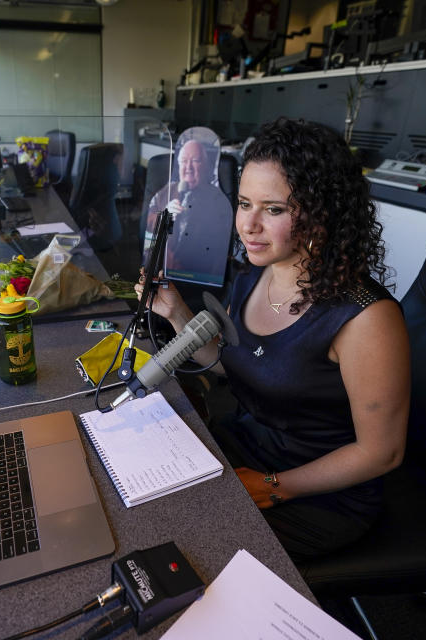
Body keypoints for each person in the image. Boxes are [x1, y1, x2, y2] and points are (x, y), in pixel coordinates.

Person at [136, 118, 411, 559]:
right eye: (244, 204)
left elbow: (381, 452)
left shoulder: (366, 318)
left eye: (274, 209)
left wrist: (275, 487)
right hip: (249, 447)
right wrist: (176, 313)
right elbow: (234, 362)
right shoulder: (252, 275)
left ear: (322, 214)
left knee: (184, 552)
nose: (249, 225)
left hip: (320, 492)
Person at [146, 138, 232, 284]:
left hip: (196, 276)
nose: (188, 167)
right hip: (162, 271)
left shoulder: (218, 199)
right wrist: (164, 216)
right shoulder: (168, 191)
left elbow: (220, 247)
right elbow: (147, 224)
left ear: (206, 167)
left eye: (195, 161)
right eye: (184, 161)